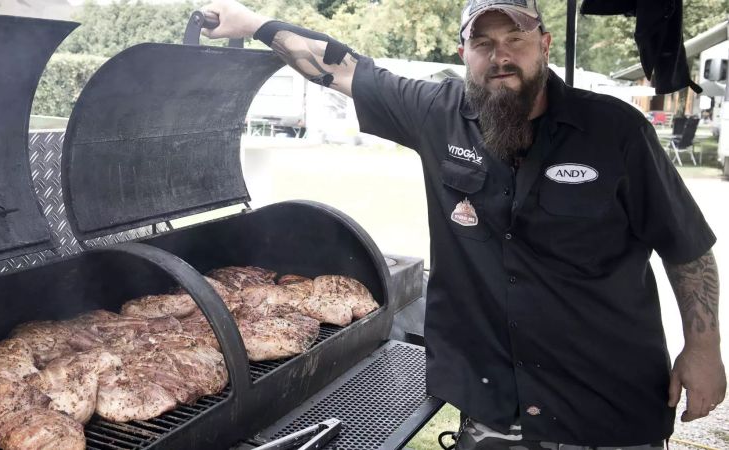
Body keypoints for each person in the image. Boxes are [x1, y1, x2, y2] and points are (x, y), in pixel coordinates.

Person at [200, 0, 725, 448]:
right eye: (483, 42)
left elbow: (687, 249)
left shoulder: (616, 131)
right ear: (463, 54)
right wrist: (252, 23)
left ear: (543, 44)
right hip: (494, 415)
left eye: (515, 39)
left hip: (607, 408)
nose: (500, 56)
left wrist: (702, 350)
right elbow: (335, 66)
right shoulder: (437, 112)